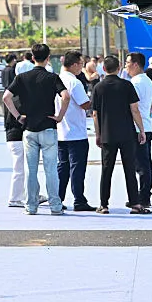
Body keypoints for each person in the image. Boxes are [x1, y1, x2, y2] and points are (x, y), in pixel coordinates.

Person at [3, 43, 70, 215]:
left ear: (32, 58)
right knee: (51, 169)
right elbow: (66, 96)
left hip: (29, 129)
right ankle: (55, 205)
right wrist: (60, 116)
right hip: (48, 127)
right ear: (48, 58)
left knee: (30, 170)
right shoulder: (52, 77)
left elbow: (6, 97)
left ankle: (31, 206)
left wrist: (18, 116)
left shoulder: (22, 78)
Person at [91, 55, 146, 214]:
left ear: (103, 69)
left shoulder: (98, 87)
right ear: (119, 67)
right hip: (127, 133)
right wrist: (141, 130)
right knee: (129, 168)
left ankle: (104, 204)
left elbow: (95, 114)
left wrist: (98, 134)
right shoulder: (127, 85)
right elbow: (134, 109)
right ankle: (135, 203)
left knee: (106, 169)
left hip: (107, 133)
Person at [56, 51, 94, 211]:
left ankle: (58, 198)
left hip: (60, 131)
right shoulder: (74, 82)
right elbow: (84, 104)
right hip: (76, 132)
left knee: (62, 167)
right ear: (74, 65)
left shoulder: (57, 80)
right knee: (77, 168)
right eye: (81, 64)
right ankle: (79, 200)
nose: (82, 68)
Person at [126, 52, 152, 209]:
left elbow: (134, 107)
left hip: (139, 127)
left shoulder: (135, 83)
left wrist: (140, 128)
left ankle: (143, 197)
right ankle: (144, 194)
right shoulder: (147, 81)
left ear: (136, 64)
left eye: (128, 63)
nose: (126, 66)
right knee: (146, 163)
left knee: (141, 165)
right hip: (146, 125)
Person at [4, 91, 27, 208]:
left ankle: (29, 194)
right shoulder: (22, 100)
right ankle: (15, 198)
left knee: (24, 168)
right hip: (17, 136)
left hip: (11, 135)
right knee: (19, 169)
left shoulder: (13, 99)